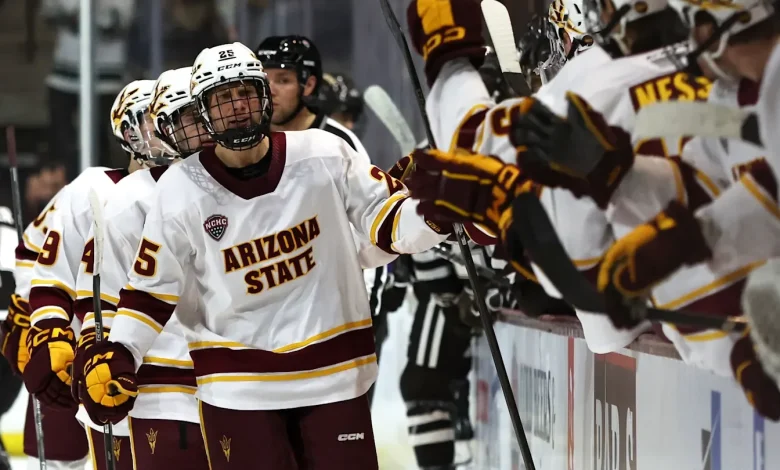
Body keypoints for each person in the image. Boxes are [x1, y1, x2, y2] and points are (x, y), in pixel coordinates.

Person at [75, 42, 449, 470]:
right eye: (222, 98)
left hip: (334, 378)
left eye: (245, 93)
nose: (235, 107)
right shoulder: (179, 189)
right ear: (205, 110)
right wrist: (120, 352)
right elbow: (151, 290)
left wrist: (441, 212)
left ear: (265, 98)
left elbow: (388, 227)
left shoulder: (324, 154)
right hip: (237, 391)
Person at [70, 68, 212, 469]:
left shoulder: (237, 190)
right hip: (155, 393)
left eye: (201, 116)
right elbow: (96, 301)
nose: (197, 130)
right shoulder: (131, 199)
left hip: (232, 389)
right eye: (185, 119)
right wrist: (96, 361)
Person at [20, 79, 161, 470]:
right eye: (151, 120)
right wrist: (48, 333)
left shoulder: (197, 187)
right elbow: (51, 273)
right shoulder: (91, 189)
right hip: (106, 373)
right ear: (127, 129)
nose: (162, 129)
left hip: (186, 376)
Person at [41, 0, 137, 179]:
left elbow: (119, 22)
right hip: (64, 73)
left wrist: (92, 12)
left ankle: (106, 188)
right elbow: (50, 12)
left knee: (105, 141)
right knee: (60, 138)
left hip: (107, 77)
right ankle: (64, 185)